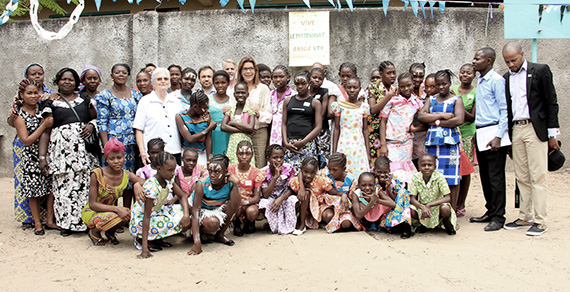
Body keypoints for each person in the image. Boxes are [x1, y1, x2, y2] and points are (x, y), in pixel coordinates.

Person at [502, 42, 560, 236]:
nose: (511, 64)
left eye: (514, 60)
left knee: (538, 175)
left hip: (535, 129)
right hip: (516, 129)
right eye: (507, 61)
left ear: (522, 55)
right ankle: (524, 215)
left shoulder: (540, 70)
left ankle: (540, 220)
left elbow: (551, 102)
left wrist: (553, 135)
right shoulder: (506, 78)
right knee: (522, 176)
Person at [39, 67, 98, 236]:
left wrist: (91, 125)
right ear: (57, 82)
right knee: (63, 188)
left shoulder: (84, 99)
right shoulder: (50, 103)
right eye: (63, 79)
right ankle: (66, 225)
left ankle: (85, 222)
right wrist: (42, 157)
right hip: (61, 154)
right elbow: (45, 131)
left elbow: (95, 117)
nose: (67, 82)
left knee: (84, 187)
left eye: (70, 79)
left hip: (83, 153)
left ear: (76, 83)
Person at [8, 63, 54, 231]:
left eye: (39, 73)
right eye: (33, 74)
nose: (36, 76)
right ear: (22, 94)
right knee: (32, 189)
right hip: (29, 154)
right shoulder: (19, 112)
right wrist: (43, 126)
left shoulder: (46, 101)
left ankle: (48, 219)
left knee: (48, 186)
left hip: (45, 152)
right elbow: (26, 139)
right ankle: (34, 222)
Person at [469, 47, 509, 232]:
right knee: (485, 175)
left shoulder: (497, 81)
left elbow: (504, 110)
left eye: (478, 58)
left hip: (494, 133)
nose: (474, 61)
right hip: (481, 132)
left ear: (489, 61)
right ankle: (490, 210)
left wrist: (499, 136)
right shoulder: (481, 81)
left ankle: (499, 217)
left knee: (495, 177)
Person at [95, 63, 143, 212]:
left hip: (131, 143)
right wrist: (106, 147)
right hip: (113, 143)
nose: (121, 75)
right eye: (117, 72)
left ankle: (127, 212)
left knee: (128, 179)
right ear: (111, 75)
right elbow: (102, 122)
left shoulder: (136, 94)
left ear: (128, 75)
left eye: (124, 72)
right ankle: (112, 213)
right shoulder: (105, 95)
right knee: (112, 179)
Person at [82, 138, 146, 245]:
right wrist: (117, 209)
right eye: (112, 158)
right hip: (92, 212)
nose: (116, 161)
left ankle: (110, 232)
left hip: (111, 212)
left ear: (124, 158)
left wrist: (137, 184)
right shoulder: (97, 174)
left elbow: (146, 182)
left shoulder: (126, 175)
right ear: (106, 159)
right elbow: (93, 204)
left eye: (119, 157)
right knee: (116, 216)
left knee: (131, 215)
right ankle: (94, 233)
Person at [418, 70, 464, 212]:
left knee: (452, 179)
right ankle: (433, 212)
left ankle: (452, 212)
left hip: (450, 145)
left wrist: (435, 122)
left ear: (450, 83)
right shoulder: (430, 99)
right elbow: (421, 116)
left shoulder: (457, 100)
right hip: (433, 145)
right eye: (438, 84)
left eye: (444, 84)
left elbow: (459, 119)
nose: (441, 87)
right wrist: (443, 116)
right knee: (431, 177)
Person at [129, 151, 191, 258]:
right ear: (159, 169)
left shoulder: (168, 181)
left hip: (156, 212)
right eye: (170, 170)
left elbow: (182, 196)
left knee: (187, 211)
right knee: (173, 219)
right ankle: (145, 240)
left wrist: (185, 215)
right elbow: (146, 217)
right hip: (142, 220)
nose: (173, 173)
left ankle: (156, 239)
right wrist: (145, 250)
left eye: (174, 169)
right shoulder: (152, 186)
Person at [189, 154, 241, 255]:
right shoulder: (202, 183)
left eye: (217, 172)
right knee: (212, 223)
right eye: (210, 171)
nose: (212, 175)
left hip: (217, 208)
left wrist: (236, 183)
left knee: (234, 206)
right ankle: (199, 233)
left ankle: (220, 235)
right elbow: (195, 211)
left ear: (226, 171)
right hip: (202, 210)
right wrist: (197, 241)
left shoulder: (230, 182)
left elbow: (235, 206)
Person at [133, 67, 183, 165]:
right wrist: (142, 152)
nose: (163, 81)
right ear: (153, 83)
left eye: (166, 79)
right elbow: (139, 129)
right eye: (159, 79)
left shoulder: (176, 101)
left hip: (174, 151)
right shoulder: (145, 101)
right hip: (154, 154)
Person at [379, 73, 422, 183]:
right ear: (398, 86)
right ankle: (393, 197)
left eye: (409, 85)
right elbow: (383, 121)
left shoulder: (417, 102)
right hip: (391, 142)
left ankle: (404, 197)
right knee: (393, 172)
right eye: (402, 86)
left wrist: (415, 129)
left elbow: (422, 119)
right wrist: (383, 144)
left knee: (406, 172)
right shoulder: (393, 100)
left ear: (413, 84)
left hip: (406, 142)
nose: (406, 89)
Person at [288, 156, 345, 235]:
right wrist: (302, 189)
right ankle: (302, 225)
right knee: (306, 193)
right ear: (301, 170)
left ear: (316, 172)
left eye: (312, 173)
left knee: (329, 216)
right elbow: (289, 192)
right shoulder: (296, 181)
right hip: (305, 210)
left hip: (318, 208)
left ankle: (319, 222)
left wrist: (344, 195)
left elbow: (335, 192)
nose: (308, 175)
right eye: (306, 172)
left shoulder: (320, 181)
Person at [451, 64, 477, 217]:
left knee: (465, 171)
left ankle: (461, 203)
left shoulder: (475, 92)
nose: (465, 75)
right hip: (453, 131)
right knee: (452, 168)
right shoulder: (452, 89)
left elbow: (472, 117)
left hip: (467, 133)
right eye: (462, 72)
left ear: (474, 75)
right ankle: (452, 201)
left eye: (469, 73)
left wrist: (458, 104)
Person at [282, 70, 322, 170]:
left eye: (303, 83)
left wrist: (303, 142)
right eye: (297, 84)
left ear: (309, 83)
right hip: (291, 144)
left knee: (308, 174)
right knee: (290, 175)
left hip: (307, 144)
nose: (300, 86)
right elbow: (284, 123)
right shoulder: (288, 101)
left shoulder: (315, 102)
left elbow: (318, 127)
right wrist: (286, 142)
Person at [332, 77, 370, 177]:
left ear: (360, 88)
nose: (352, 90)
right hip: (343, 144)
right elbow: (336, 129)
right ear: (345, 88)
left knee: (359, 172)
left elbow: (365, 130)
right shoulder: (339, 106)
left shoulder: (364, 107)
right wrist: (334, 150)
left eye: (355, 87)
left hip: (359, 146)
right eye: (349, 87)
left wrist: (368, 152)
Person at [237, 56, 272, 168]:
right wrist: (244, 128)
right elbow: (233, 112)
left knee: (260, 164)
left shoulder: (263, 89)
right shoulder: (237, 87)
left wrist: (259, 114)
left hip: (259, 131)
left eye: (251, 68)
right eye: (245, 69)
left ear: (255, 71)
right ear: (240, 71)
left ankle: (258, 186)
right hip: (241, 132)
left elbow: (269, 115)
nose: (248, 72)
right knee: (242, 164)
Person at [410, 154, 456, 235]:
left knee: (445, 208)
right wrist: (422, 207)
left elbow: (448, 197)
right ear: (419, 167)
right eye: (423, 165)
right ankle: (423, 225)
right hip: (422, 208)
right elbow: (412, 198)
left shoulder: (439, 177)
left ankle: (447, 224)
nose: (427, 167)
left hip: (437, 207)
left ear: (435, 167)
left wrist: (429, 205)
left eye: (430, 165)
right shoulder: (415, 177)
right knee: (410, 210)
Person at [228, 140, 266, 236]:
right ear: (236, 154)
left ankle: (249, 222)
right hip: (235, 202)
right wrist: (237, 203)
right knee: (235, 209)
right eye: (241, 153)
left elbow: (257, 197)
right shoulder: (230, 170)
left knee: (251, 211)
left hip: (250, 202)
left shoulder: (257, 172)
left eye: (247, 154)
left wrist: (244, 203)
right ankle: (236, 224)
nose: (244, 157)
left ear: (252, 155)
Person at [369, 157, 413, 237]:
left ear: (389, 171)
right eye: (379, 172)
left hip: (394, 208)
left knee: (403, 192)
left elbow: (396, 202)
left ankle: (406, 225)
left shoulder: (394, 180)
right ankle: (398, 223)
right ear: (374, 170)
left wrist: (388, 188)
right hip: (379, 208)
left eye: (385, 172)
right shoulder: (372, 180)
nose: (382, 175)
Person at [259, 144, 298, 234]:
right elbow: (265, 195)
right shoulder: (263, 172)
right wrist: (276, 177)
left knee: (293, 200)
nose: (279, 160)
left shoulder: (289, 168)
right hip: (271, 197)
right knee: (265, 203)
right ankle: (273, 224)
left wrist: (281, 199)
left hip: (285, 195)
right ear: (268, 159)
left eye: (281, 157)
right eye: (275, 157)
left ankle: (289, 224)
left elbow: (292, 188)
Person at [322, 152, 364, 232]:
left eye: (335, 170)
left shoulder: (351, 180)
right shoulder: (326, 175)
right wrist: (342, 196)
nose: (331, 172)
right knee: (328, 216)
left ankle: (338, 224)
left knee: (346, 224)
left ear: (344, 169)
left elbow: (351, 198)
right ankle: (336, 224)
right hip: (329, 206)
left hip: (344, 209)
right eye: (329, 169)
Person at [367, 61, 397, 165]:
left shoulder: (395, 89)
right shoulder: (373, 87)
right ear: (381, 74)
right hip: (375, 133)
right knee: (376, 162)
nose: (392, 76)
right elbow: (373, 110)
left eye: (394, 72)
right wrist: (389, 96)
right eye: (389, 73)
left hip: (390, 133)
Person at [176, 91, 217, 164]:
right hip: (187, 155)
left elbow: (208, 139)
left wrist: (209, 160)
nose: (206, 110)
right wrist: (208, 128)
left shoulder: (206, 116)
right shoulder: (181, 117)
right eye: (204, 108)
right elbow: (190, 139)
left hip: (201, 155)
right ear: (195, 107)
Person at [221, 82, 257, 166]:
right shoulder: (230, 110)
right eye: (238, 93)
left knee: (247, 165)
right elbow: (223, 127)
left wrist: (233, 122)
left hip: (246, 144)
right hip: (233, 145)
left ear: (247, 94)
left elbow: (250, 127)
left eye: (243, 93)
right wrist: (244, 130)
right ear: (234, 94)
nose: (240, 95)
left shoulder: (250, 111)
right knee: (233, 166)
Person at [209, 70, 234, 156]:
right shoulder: (208, 99)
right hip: (212, 135)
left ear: (228, 83)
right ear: (213, 84)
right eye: (217, 83)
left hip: (228, 134)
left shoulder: (232, 100)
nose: (220, 85)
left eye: (223, 82)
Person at [269, 65, 295, 146]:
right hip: (272, 134)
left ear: (288, 77)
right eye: (275, 77)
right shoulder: (270, 95)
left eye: (281, 76)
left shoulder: (293, 95)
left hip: (287, 133)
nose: (278, 79)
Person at [309, 67, 330, 168]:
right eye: (314, 77)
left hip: (321, 129)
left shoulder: (324, 92)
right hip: (307, 129)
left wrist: (314, 128)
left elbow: (322, 114)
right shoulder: (304, 91)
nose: (317, 80)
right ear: (309, 78)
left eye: (320, 78)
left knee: (323, 155)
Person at [409, 63, 428, 167]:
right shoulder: (405, 89)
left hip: (425, 133)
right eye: (414, 76)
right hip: (412, 133)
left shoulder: (427, 88)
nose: (418, 79)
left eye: (421, 76)